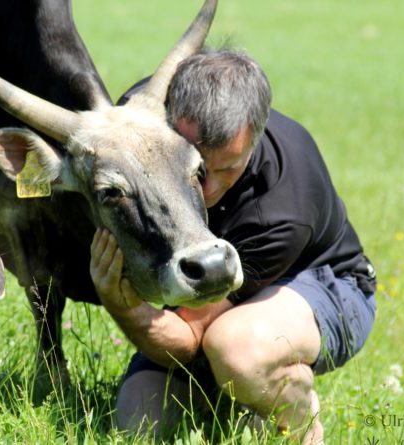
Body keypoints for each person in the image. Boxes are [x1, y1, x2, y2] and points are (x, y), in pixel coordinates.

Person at [89, 49, 377, 444]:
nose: (204, 189)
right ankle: (237, 396)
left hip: (325, 285)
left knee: (235, 348)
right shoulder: (144, 119)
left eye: (226, 169)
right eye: (197, 167)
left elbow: (190, 340)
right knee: (138, 421)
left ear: (254, 137)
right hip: (209, 281)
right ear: (172, 115)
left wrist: (124, 305)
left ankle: (293, 408)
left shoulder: (282, 208)